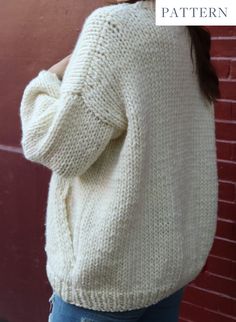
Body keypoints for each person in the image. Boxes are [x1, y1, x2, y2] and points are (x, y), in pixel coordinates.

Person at [19, 0, 220, 321]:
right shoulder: (186, 30)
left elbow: (51, 144)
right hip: (165, 276)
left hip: (106, 287)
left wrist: (48, 78)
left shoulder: (115, 28)